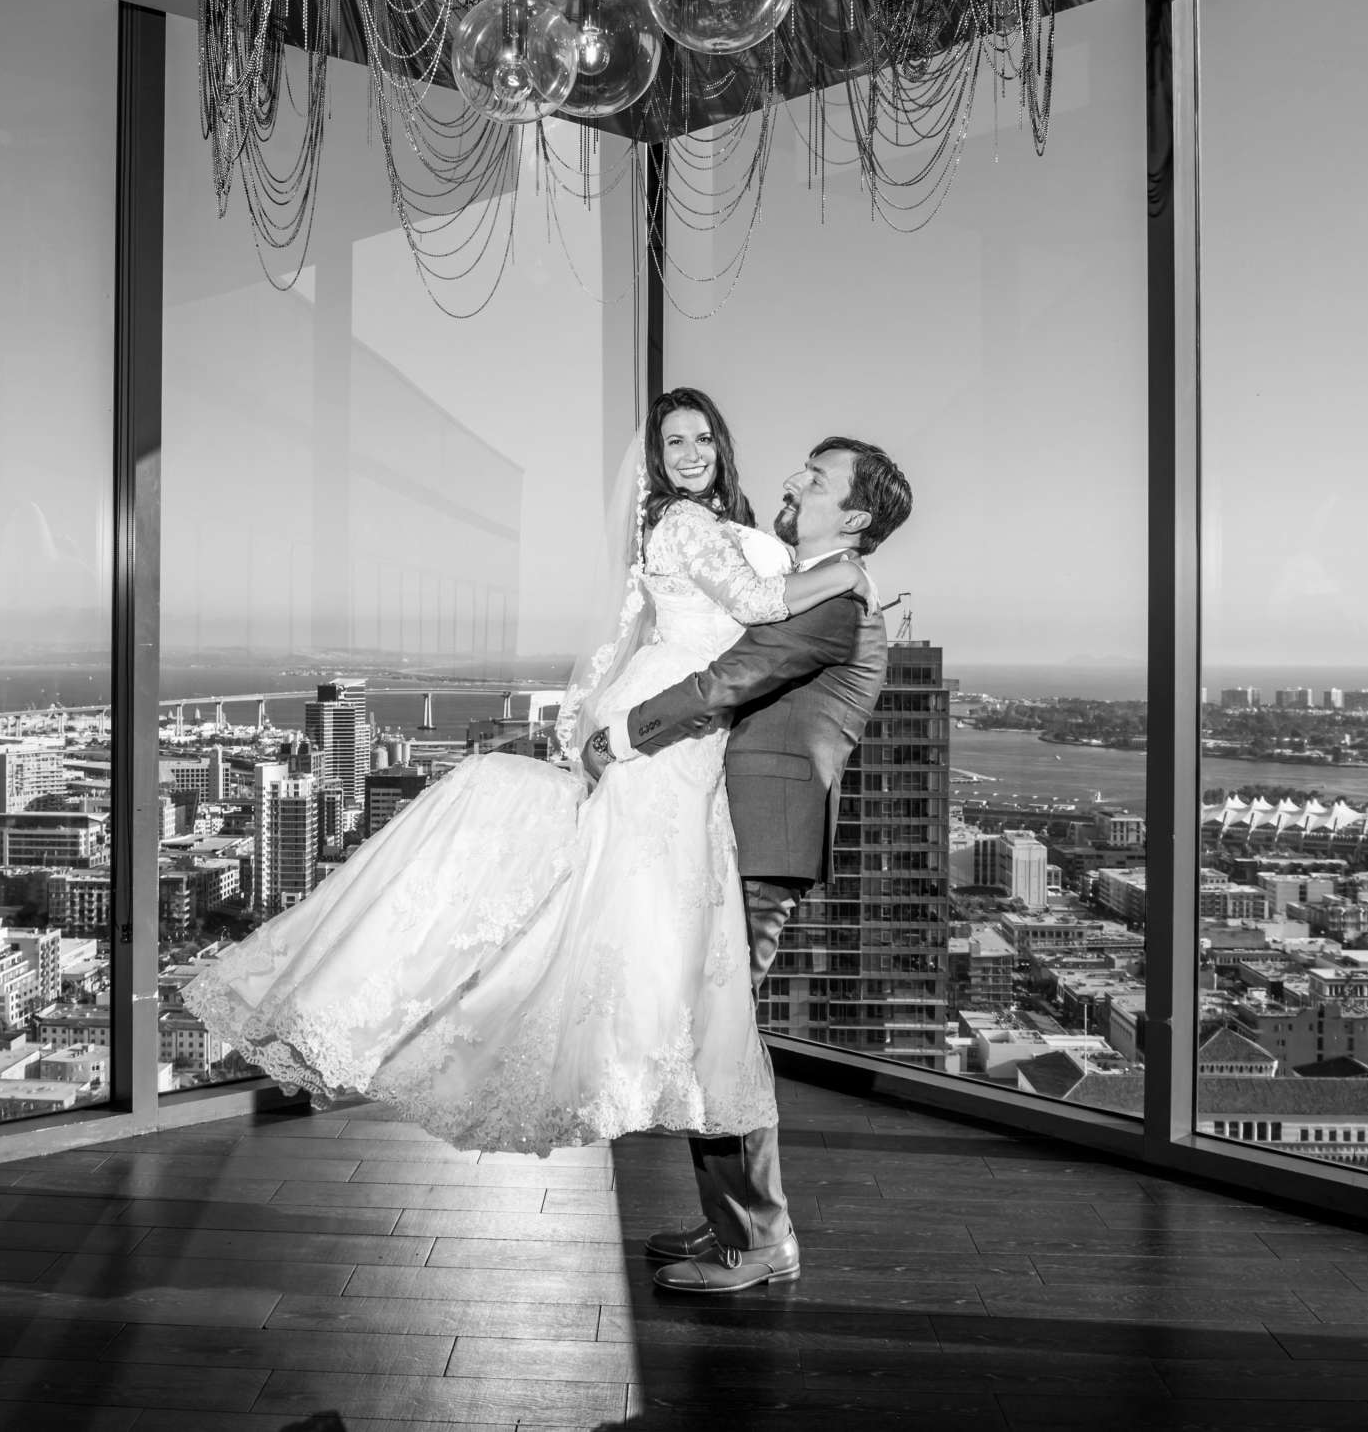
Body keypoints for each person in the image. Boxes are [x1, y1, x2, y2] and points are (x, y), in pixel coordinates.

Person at [182, 388, 867, 1159]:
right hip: (665, 725)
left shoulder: (710, 524)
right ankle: (579, 1057)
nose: (690, 454)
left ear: (721, 443)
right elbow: (759, 602)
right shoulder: (683, 521)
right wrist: (848, 573)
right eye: (674, 443)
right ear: (656, 461)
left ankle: (627, 1066)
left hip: (684, 731)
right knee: (628, 892)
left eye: (702, 438)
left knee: (634, 899)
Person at [580, 434, 913, 1293]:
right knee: (709, 1030)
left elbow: (732, 678)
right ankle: (732, 1223)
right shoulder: (803, 591)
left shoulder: (835, 607)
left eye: (818, 477)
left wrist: (622, 733)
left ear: (856, 515)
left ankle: (761, 1240)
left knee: (721, 1040)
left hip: (765, 841)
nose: (795, 480)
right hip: (730, 833)